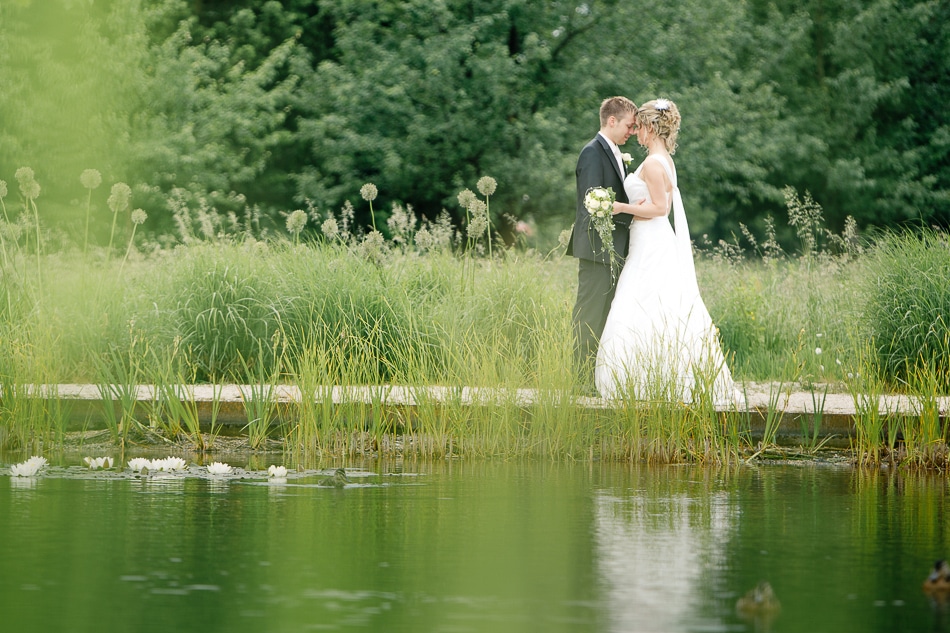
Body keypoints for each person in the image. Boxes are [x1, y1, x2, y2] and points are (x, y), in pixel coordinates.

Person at [594, 98, 739, 405]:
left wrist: (620, 207)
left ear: (650, 127)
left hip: (651, 240)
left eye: (639, 128)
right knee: (652, 301)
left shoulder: (654, 163)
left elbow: (661, 209)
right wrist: (636, 209)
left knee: (645, 300)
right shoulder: (662, 160)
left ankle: (643, 376)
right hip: (647, 237)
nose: (636, 133)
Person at [567, 96, 638, 387]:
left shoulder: (615, 152)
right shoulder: (592, 153)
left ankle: (596, 378)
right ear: (612, 121)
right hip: (598, 250)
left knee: (605, 318)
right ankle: (580, 381)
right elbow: (592, 203)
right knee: (588, 316)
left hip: (614, 250)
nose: (631, 132)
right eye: (629, 126)